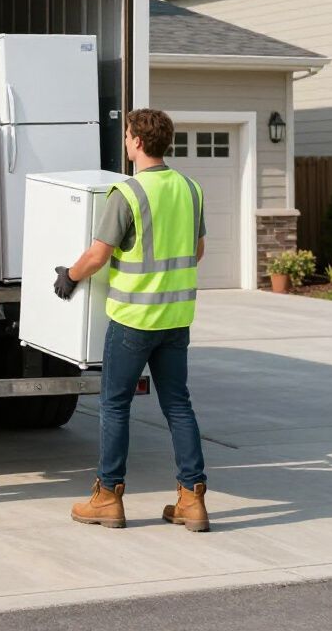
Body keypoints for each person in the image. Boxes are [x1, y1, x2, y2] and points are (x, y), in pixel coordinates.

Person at [54, 108, 210, 532]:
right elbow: (196, 253)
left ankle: (107, 498)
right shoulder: (191, 189)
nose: (125, 142)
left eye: (126, 136)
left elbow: (97, 256)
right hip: (176, 319)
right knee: (178, 405)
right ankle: (192, 500)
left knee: (114, 405)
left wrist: (68, 276)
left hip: (134, 320)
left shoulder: (127, 194)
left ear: (137, 142)